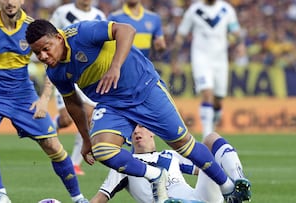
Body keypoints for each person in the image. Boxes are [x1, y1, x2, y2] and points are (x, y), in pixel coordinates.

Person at [25, 19, 251, 203]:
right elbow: (73, 103)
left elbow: (126, 30)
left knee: (184, 145)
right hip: (113, 105)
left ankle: (228, 186)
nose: (44, 57)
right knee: (102, 150)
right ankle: (155, 175)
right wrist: (85, 139)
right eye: (38, 54)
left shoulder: (82, 33)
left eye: (46, 49)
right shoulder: (55, 73)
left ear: (58, 38)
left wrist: (115, 67)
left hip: (145, 90)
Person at [0, 1, 88, 203]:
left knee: (53, 145)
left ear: (22, 1)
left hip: (23, 95)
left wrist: (44, 99)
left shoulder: (33, 28)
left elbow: (52, 61)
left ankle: (78, 198)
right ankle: (0, 194)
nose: (10, 2)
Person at [90, 125, 251, 203]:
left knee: (210, 139)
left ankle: (238, 182)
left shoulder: (171, 155)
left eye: (140, 126)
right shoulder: (124, 164)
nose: (137, 132)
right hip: (164, 201)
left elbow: (207, 168)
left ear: (152, 130)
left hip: (199, 198)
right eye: (132, 129)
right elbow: (100, 198)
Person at [171, 0, 247, 139]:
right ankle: (207, 134)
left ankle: (212, 124)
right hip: (201, 58)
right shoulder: (194, 10)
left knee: (218, 99)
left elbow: (235, 31)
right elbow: (180, 35)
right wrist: (175, 60)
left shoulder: (226, 10)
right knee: (207, 93)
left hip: (220, 60)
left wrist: (240, 45)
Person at [49, 0, 107, 176]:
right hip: (65, 71)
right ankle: (50, 127)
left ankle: (74, 163)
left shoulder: (99, 16)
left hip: (85, 73)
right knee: (66, 119)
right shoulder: (62, 12)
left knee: (88, 116)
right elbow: (47, 37)